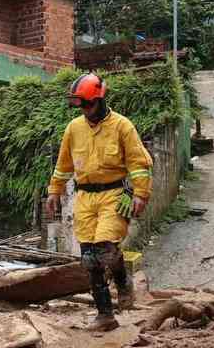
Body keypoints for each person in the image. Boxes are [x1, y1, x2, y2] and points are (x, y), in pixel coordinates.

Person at [46, 73, 153, 332]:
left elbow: (139, 164)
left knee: (106, 249)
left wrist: (140, 194)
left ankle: (122, 281)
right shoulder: (74, 128)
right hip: (85, 198)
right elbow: (63, 165)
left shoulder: (122, 126)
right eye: (80, 106)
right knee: (89, 259)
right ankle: (105, 315)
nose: (84, 110)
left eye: (88, 105)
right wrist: (55, 190)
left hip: (114, 195)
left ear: (101, 100)